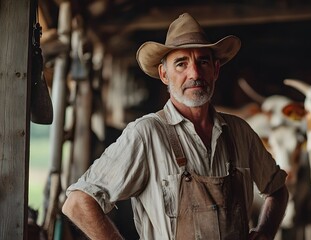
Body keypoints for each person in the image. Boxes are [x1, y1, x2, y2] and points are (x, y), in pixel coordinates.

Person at [62, 13, 289, 240]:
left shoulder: (240, 132)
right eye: (181, 64)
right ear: (164, 74)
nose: (195, 73)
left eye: (203, 62)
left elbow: (277, 189)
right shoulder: (146, 134)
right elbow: (78, 203)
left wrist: (266, 232)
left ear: (216, 70)